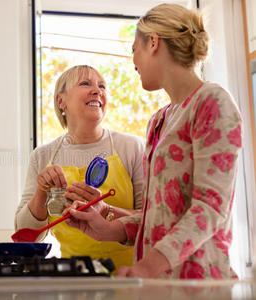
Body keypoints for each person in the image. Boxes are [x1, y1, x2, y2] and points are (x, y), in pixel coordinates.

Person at [64, 4, 242, 279]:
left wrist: (146, 267)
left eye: (135, 48)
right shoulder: (158, 120)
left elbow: (210, 209)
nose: (132, 58)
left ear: (154, 43)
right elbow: (159, 214)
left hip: (200, 284)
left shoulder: (212, 102)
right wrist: (110, 226)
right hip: (159, 285)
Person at [15, 65, 144, 270]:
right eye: (85, 83)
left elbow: (151, 221)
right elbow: (24, 235)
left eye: (102, 85)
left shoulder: (132, 147)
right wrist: (41, 193)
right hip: (73, 279)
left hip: (129, 278)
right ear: (61, 101)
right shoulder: (42, 156)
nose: (97, 90)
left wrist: (106, 211)